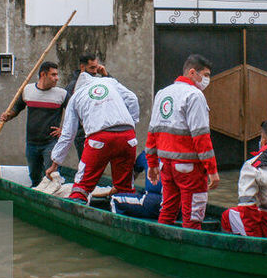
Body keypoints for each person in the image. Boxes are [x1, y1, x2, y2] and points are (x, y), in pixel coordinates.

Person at [146, 54, 220, 229]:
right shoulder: (195, 95)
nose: (207, 79)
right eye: (206, 74)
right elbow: (201, 137)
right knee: (193, 216)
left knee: (167, 210)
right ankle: (191, 251)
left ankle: (162, 246)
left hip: (166, 166)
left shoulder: (162, 93)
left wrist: (152, 164)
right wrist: (212, 170)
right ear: (193, 72)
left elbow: (152, 131)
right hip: (190, 168)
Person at [47, 72, 140, 203]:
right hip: (127, 137)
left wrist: (55, 164)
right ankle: (126, 208)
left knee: (82, 186)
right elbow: (132, 99)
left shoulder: (76, 97)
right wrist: (132, 124)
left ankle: (77, 207)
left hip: (99, 139)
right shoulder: (110, 82)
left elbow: (68, 134)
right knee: (124, 188)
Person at [0, 61, 68, 187]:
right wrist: (8, 115)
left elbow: (73, 113)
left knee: (53, 176)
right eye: (53, 75)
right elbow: (17, 108)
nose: (56, 78)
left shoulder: (61, 94)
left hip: (50, 143)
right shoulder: (28, 90)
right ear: (43, 74)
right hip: (31, 143)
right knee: (35, 177)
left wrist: (63, 129)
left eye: (57, 75)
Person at [63, 54, 110, 158]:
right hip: (83, 134)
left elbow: (114, 89)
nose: (94, 71)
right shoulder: (73, 86)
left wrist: (106, 75)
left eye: (96, 67)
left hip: (100, 132)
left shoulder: (99, 82)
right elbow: (69, 111)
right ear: (82, 67)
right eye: (92, 68)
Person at [109, 152, 162, 219]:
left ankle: (118, 228)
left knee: (114, 199)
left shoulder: (147, 153)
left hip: (153, 200)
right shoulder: (175, 154)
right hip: (174, 204)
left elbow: (132, 177)